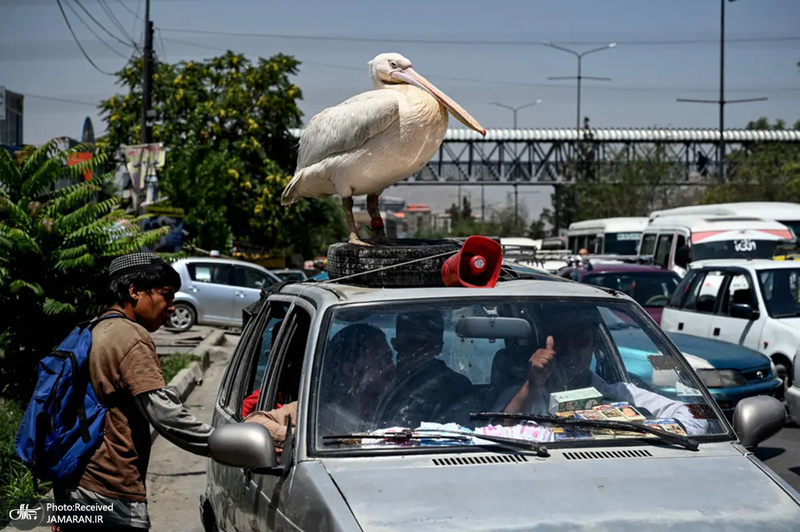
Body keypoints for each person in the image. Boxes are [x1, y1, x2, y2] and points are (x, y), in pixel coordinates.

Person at [54, 253, 214, 531]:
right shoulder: (131, 337)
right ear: (135, 291)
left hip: (76, 485)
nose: (171, 307)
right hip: (111, 492)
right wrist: (223, 444)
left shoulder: (93, 327)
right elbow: (166, 416)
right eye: (166, 295)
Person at [497, 317, 709, 436]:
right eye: (561, 339)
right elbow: (499, 430)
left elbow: (697, 415)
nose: (571, 348)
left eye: (581, 340)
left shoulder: (622, 394)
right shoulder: (522, 395)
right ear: (543, 345)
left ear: (595, 346)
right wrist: (533, 384)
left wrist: (642, 430)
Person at [244, 323, 395, 449]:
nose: (392, 367)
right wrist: (309, 440)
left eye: (390, 358)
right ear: (351, 370)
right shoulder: (320, 412)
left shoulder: (404, 407)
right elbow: (254, 422)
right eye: (383, 360)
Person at [377, 310, 473, 428]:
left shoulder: (457, 387)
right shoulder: (382, 383)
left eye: (423, 343)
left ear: (438, 347)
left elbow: (459, 436)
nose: (415, 350)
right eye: (408, 342)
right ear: (395, 344)